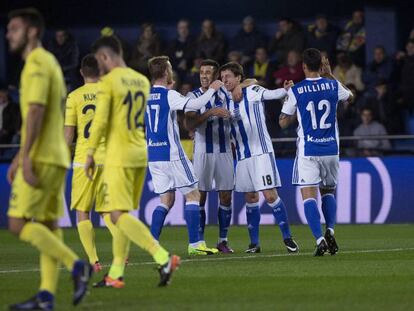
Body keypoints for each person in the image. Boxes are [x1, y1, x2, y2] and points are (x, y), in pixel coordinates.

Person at [6, 8, 92, 310]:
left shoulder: (37, 63)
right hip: (56, 154)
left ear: (31, 31)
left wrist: (24, 156)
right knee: (48, 225)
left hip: (42, 155)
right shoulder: (49, 62)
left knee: (17, 223)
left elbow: (35, 111)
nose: (8, 34)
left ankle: (76, 265)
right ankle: (46, 295)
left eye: (14, 28)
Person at [85, 37, 180, 288]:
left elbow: (101, 122)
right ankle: (115, 274)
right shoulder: (140, 81)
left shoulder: (108, 83)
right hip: (140, 152)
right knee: (123, 214)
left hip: (119, 154)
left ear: (105, 57)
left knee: (116, 215)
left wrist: (90, 154)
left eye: (99, 61)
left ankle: (163, 257)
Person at [279, 48, 353, 256]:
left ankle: (320, 239)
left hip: (308, 150)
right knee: (328, 192)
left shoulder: (296, 90)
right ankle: (330, 229)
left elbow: (283, 123)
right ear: (321, 65)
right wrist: (329, 74)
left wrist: (291, 109)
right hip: (331, 149)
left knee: (308, 194)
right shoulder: (332, 84)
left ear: (303, 66)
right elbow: (350, 97)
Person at [220, 62, 299, 254]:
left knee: (270, 195)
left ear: (238, 78)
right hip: (242, 156)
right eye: (222, 77)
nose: (225, 80)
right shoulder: (223, 99)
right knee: (251, 196)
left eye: (228, 76)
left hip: (261, 152)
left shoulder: (253, 90)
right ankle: (254, 243)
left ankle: (287, 238)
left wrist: (285, 89)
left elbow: (274, 94)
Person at [146, 56, 222, 255]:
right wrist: (213, 88)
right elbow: (195, 105)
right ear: (165, 73)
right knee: (193, 195)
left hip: (153, 155)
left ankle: (152, 242)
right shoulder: (169, 95)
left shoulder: (145, 95)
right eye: (169, 69)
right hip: (171, 154)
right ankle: (195, 244)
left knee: (166, 200)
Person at [64, 54, 120, 273]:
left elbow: (69, 133)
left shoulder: (74, 97)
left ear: (81, 72)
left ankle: (94, 260)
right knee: (107, 211)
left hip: (83, 161)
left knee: (82, 211)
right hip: (108, 159)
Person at [184, 59, 235, 253]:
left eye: (208, 72)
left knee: (226, 196)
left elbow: (243, 86)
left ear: (215, 76)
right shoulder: (193, 96)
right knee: (200, 197)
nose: (204, 76)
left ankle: (223, 240)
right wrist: (211, 112)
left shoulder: (227, 94)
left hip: (224, 151)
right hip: (202, 152)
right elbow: (189, 125)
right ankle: (200, 241)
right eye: (201, 72)